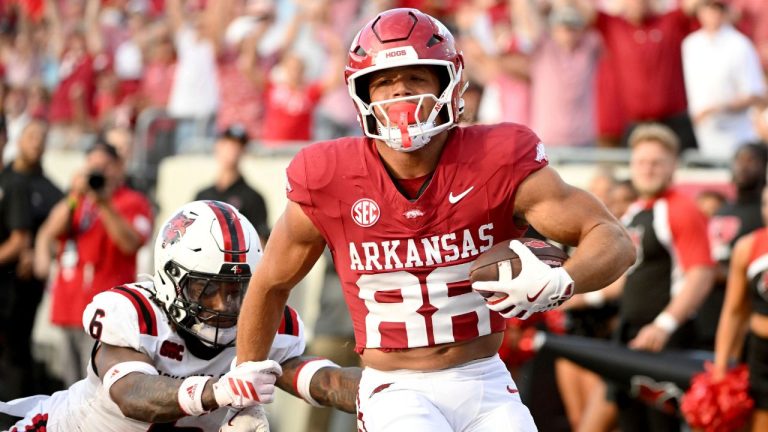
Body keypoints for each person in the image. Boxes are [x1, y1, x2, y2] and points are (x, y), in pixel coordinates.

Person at [235, 8, 635, 431]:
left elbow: (613, 238)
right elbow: (269, 284)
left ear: (450, 83)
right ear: (363, 96)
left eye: (416, 77)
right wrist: (246, 391)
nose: (401, 94)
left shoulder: (495, 158)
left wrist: (562, 281)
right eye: (384, 82)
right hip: (395, 387)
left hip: (484, 379)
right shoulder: (330, 174)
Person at [1, 200, 360, 431]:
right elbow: (132, 394)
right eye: (206, 288)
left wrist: (389, 391)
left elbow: (325, 382)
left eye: (236, 290)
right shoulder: (136, 314)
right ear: (171, 276)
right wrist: (216, 392)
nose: (223, 305)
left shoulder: (264, 325)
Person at [609, 123, 716, 432]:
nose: (648, 169)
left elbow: (701, 273)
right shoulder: (635, 211)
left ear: (673, 167)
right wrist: (569, 295)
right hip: (631, 335)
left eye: (657, 162)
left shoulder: (681, 209)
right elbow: (625, 279)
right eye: (641, 162)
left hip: (667, 340)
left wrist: (663, 325)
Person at [34, 138, 153, 386]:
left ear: (118, 167)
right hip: (70, 306)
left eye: (105, 165)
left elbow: (131, 242)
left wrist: (105, 204)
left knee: (99, 389)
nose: (99, 172)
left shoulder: (132, 201)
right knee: (70, 385)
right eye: (93, 165)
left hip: (107, 314)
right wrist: (75, 194)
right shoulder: (77, 200)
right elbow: (51, 230)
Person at [0, 119, 63, 399]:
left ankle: (15, 417)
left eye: (41, 137)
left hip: (19, 284)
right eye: (30, 136)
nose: (35, 142)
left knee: (15, 350)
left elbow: (26, 240)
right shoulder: (7, 178)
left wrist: (40, 248)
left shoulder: (47, 190)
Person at [696, 142, 767, 349]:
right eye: (739, 160)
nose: (743, 166)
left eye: (751, 161)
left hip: (746, 311)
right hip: (709, 307)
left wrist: (724, 272)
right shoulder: (723, 209)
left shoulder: (763, 213)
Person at [713, 186, 768, 432]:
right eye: (767, 204)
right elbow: (734, 311)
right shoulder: (749, 246)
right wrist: (721, 367)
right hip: (760, 354)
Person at [682, 0, 766, 159]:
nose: (712, 14)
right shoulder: (691, 45)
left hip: (736, 135)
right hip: (702, 135)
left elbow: (755, 93)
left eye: (717, 8)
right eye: (707, 8)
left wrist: (717, 109)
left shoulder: (739, 44)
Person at [195, 124, 270, 244]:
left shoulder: (253, 197)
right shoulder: (202, 195)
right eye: (227, 144)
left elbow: (260, 242)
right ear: (217, 147)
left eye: (237, 146)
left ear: (243, 151)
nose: (232, 151)